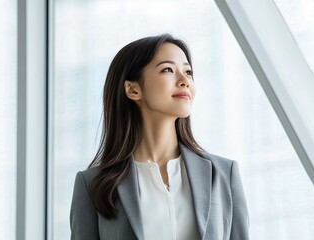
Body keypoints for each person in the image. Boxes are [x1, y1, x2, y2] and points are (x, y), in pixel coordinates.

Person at [70, 34, 249, 240]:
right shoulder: (93, 185)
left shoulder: (224, 174)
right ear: (132, 89)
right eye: (168, 70)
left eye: (188, 72)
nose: (184, 81)